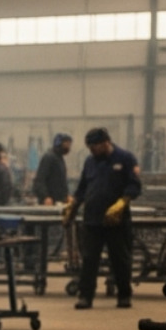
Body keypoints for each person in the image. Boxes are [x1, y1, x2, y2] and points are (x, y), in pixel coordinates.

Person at [66, 126, 142, 309]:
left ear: (106, 142)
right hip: (92, 219)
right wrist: (73, 205)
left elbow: (134, 185)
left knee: (120, 259)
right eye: (89, 147)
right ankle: (85, 296)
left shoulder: (125, 158)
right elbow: (83, 187)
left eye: (94, 146)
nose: (92, 150)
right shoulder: (90, 161)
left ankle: (124, 295)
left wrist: (122, 203)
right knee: (89, 259)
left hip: (116, 220)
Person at [33, 133, 72, 205]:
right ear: (59, 143)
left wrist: (66, 195)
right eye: (66, 143)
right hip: (49, 202)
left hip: (59, 201)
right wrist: (45, 196)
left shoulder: (59, 158)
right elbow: (40, 179)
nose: (69, 147)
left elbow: (61, 181)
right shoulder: (49, 157)